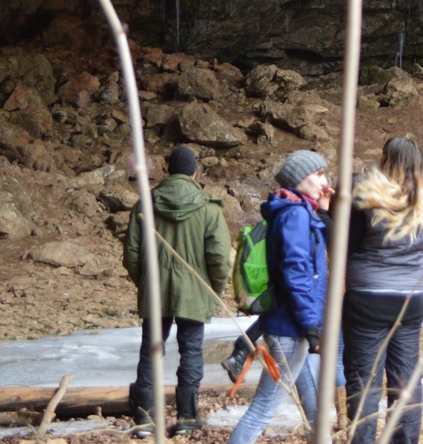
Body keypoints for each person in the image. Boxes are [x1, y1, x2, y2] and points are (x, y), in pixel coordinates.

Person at [343, 137, 423, 444]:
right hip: (410, 301)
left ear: (386, 161)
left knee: (365, 383)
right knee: (406, 381)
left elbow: (347, 246)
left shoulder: (367, 201)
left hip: (367, 300)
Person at [228, 150, 333, 444]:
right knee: (264, 408)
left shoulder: (298, 211)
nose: (324, 180)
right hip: (290, 325)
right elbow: (297, 273)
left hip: (292, 322)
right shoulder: (295, 215)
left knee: (313, 407)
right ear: (300, 179)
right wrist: (311, 325)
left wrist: (323, 210)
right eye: (318, 174)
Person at [125, 145, 230, 438]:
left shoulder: (145, 205)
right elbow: (220, 258)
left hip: (156, 288)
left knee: (150, 351)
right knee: (191, 351)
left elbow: (131, 253)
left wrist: (145, 282)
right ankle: (186, 417)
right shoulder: (210, 208)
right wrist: (214, 290)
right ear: (194, 172)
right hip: (194, 290)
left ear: (169, 171)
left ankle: (145, 421)